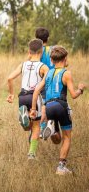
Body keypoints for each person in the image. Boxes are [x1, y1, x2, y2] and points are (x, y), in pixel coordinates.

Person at [31, 46, 86, 175]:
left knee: (57, 138)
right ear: (65, 58)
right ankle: (61, 167)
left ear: (51, 59)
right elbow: (73, 94)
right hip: (61, 105)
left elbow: (37, 90)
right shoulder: (66, 73)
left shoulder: (48, 72)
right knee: (67, 137)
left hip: (48, 106)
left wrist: (33, 108)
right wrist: (81, 89)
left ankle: (49, 127)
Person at [6, 39, 49, 160]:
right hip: (34, 97)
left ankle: (25, 120)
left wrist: (11, 94)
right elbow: (47, 83)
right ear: (41, 52)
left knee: (27, 127)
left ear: (29, 51)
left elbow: (9, 78)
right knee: (36, 126)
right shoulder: (43, 67)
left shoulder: (23, 64)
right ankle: (31, 153)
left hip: (22, 97)